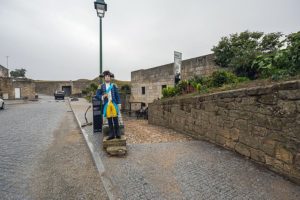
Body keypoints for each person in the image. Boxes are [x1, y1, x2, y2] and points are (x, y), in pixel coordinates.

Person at [96, 70, 121, 140]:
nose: (107, 77)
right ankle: (111, 134)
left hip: (114, 103)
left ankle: (118, 133)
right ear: (104, 78)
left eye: (108, 76)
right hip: (107, 104)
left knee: (115, 118)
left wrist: (119, 103)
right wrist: (103, 96)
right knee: (109, 119)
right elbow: (97, 95)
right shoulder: (101, 86)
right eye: (106, 76)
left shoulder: (114, 85)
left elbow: (117, 95)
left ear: (110, 77)